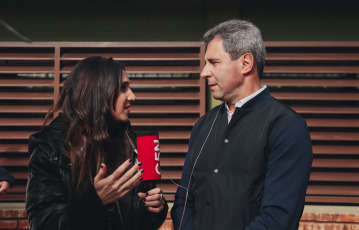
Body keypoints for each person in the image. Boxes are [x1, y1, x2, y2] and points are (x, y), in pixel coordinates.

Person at [171, 19, 313, 230]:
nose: (204, 72)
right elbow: (183, 201)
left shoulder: (287, 127)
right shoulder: (202, 126)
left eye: (214, 62)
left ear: (246, 63)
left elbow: (278, 219)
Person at [26, 56, 168, 230]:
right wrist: (95, 201)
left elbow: (142, 219)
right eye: (122, 88)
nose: (133, 96)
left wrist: (156, 208)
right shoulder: (51, 148)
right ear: (97, 92)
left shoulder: (130, 140)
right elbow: (44, 224)